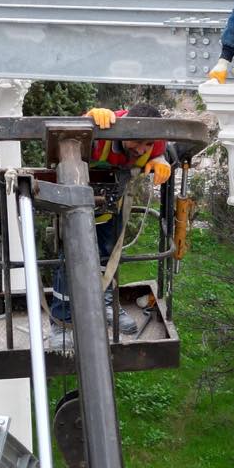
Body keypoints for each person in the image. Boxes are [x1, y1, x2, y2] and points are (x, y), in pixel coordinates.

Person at [48, 106, 173, 340]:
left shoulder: (157, 141)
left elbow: (173, 149)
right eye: (138, 142)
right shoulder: (103, 129)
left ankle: (105, 305)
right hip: (75, 200)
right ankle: (61, 322)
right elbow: (65, 141)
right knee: (69, 260)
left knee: (108, 257)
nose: (142, 149)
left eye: (148, 145)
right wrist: (85, 121)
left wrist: (160, 159)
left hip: (112, 204)